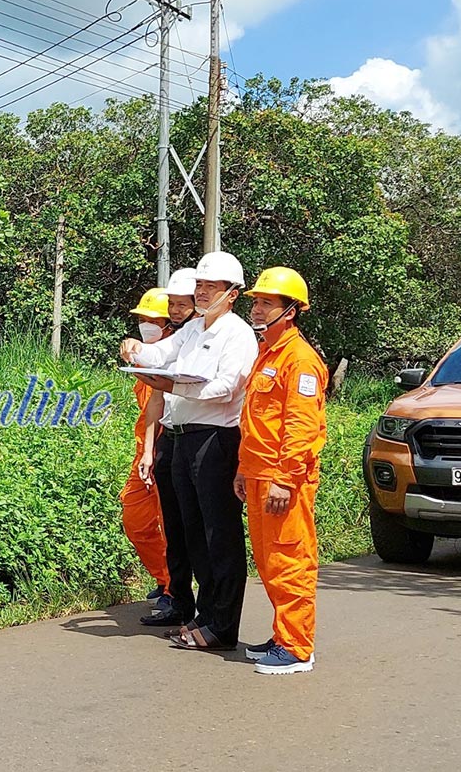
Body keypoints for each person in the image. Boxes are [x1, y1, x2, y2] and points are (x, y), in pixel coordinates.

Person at [127, 251, 257, 652]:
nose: (201, 293)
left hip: (215, 439)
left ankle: (223, 624)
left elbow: (227, 388)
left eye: (210, 287)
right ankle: (205, 615)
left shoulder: (238, 335)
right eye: (199, 286)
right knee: (192, 531)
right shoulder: (193, 329)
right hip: (182, 436)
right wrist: (135, 349)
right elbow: (160, 356)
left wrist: (175, 387)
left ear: (232, 294)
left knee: (219, 532)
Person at [234, 266, 329, 676]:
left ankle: (297, 648)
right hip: (257, 473)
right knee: (269, 559)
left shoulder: (301, 361)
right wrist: (242, 468)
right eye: (255, 301)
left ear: (289, 311)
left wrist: (285, 479)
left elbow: (301, 428)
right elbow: (255, 419)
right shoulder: (267, 354)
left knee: (290, 558)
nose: (256, 308)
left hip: (282, 479)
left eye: (266, 302)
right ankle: (282, 635)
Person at [116, 274, 198, 627]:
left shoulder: (181, 352)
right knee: (136, 519)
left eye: (153, 321)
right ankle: (166, 580)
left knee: (170, 523)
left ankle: (173, 590)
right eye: (142, 321)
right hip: (149, 449)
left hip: (171, 446)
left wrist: (154, 451)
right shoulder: (150, 355)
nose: (145, 326)